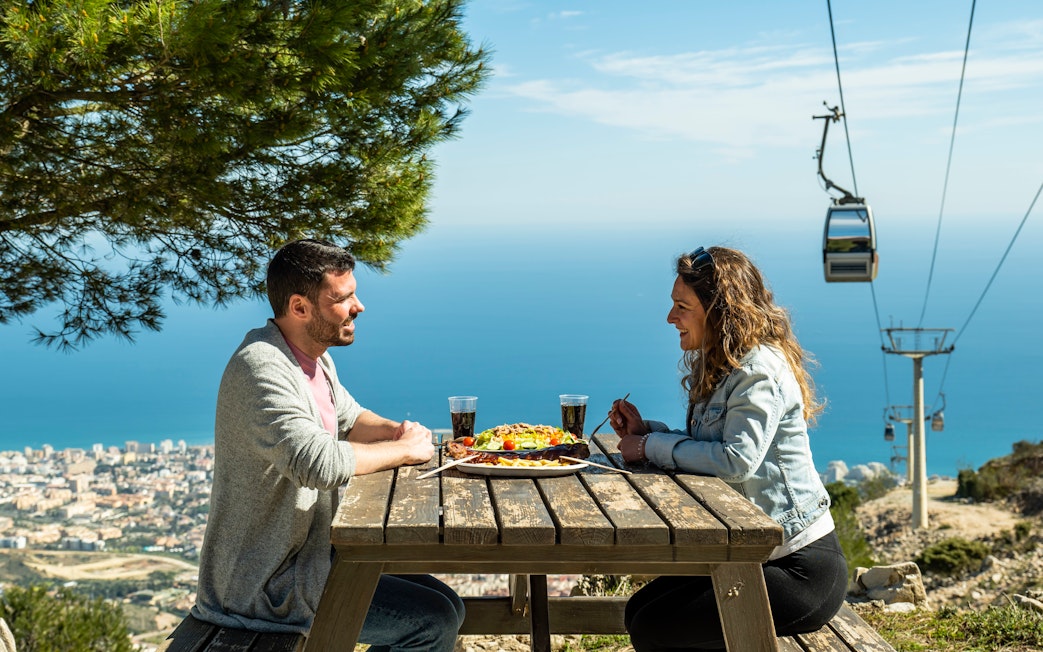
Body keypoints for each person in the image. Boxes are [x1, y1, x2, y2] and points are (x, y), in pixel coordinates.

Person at [191, 239, 465, 651]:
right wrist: (406, 451)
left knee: (450, 604)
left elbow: (350, 418)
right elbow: (317, 463)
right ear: (300, 307)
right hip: (267, 584)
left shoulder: (314, 359)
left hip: (315, 559)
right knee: (433, 622)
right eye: (343, 298)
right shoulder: (260, 367)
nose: (359, 306)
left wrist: (398, 430)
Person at [608, 246, 847, 651]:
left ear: (718, 310)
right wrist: (648, 431)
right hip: (755, 555)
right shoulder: (725, 363)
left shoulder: (758, 371)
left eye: (681, 306)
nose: (670, 318)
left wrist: (650, 444)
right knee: (639, 613)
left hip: (799, 568)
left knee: (656, 626)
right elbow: (711, 447)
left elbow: (735, 461)